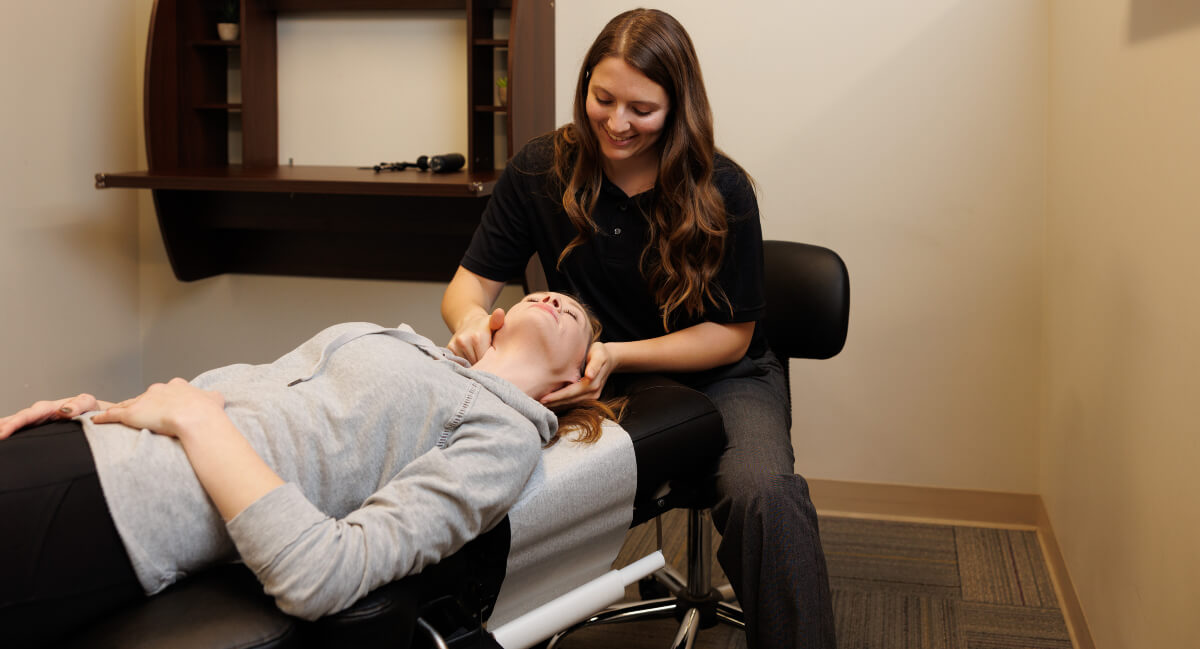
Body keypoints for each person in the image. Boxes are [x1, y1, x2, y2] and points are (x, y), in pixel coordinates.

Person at [440, 9, 836, 649]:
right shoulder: (543, 170)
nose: (617, 123)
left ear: (679, 108)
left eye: (642, 110)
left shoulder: (720, 187)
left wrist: (616, 354)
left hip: (723, 377)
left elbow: (731, 336)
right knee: (494, 481)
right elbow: (468, 288)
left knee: (767, 497)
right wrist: (469, 328)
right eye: (603, 99)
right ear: (586, 85)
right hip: (588, 383)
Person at [0, 292, 617, 649]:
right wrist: (95, 411)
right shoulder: (408, 345)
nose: (557, 296)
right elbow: (248, 396)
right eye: (543, 291)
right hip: (83, 441)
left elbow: (324, 573)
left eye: (579, 319)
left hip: (125, 505)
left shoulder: (504, 437)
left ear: (571, 383)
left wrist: (197, 421)